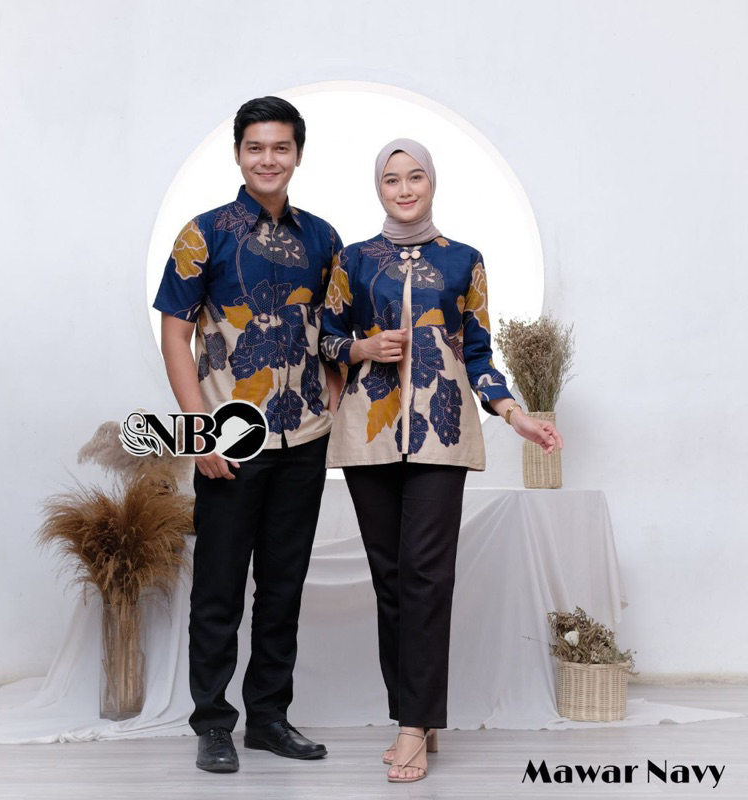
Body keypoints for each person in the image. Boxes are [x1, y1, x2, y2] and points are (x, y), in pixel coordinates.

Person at [320, 139, 562, 783]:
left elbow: (478, 352)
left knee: (427, 574)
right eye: (391, 179)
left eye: (415, 177)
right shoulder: (352, 259)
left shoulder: (464, 260)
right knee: (391, 578)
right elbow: (326, 337)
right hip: (369, 433)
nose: (404, 189)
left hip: (442, 430)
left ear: (432, 182)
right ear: (379, 188)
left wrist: (514, 413)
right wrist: (364, 347)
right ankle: (415, 714)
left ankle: (412, 727)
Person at [153, 96, 342, 774]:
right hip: (228, 441)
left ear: (298, 155)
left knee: (283, 588)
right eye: (256, 147)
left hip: (304, 442)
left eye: (280, 147)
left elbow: (334, 332)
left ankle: (268, 719)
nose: (268, 159)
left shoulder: (324, 239)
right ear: (238, 153)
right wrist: (199, 433)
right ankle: (212, 724)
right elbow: (174, 336)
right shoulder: (203, 234)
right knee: (219, 590)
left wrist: (334, 396)